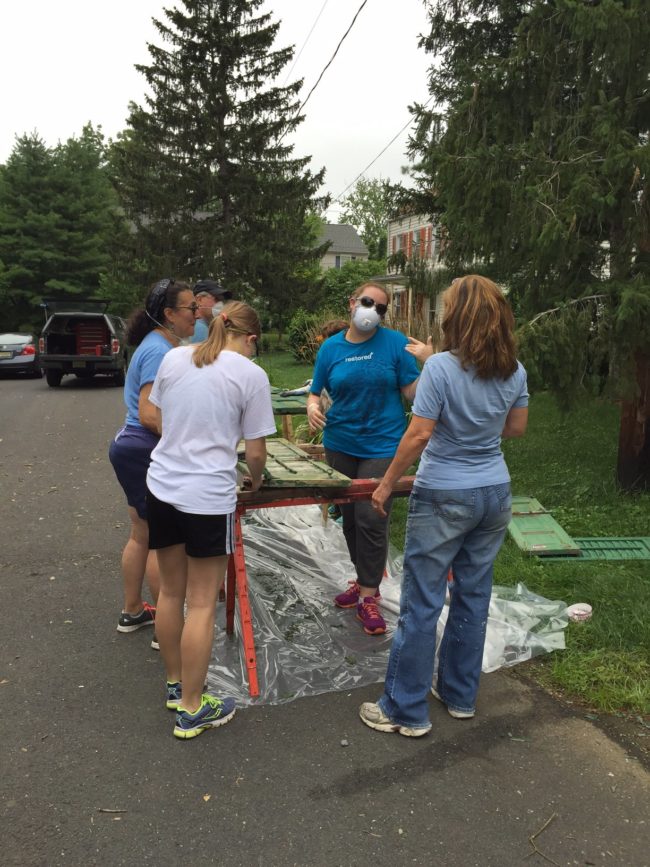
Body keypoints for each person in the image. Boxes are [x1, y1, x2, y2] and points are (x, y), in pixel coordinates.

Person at [358, 275, 529, 737]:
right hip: (494, 492)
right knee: (473, 597)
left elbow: (419, 433)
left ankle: (403, 710)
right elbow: (514, 429)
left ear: (457, 316)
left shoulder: (439, 369)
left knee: (422, 602)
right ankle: (458, 695)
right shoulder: (514, 370)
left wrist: (386, 483)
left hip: (444, 494)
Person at [145, 301, 276, 739]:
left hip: (162, 485)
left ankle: (175, 685)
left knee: (170, 593)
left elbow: (161, 416)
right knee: (202, 602)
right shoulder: (251, 375)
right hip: (206, 497)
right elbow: (255, 453)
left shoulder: (174, 356)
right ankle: (192, 708)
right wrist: (254, 482)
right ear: (250, 338)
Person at [307, 283, 420, 636]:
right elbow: (317, 391)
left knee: (372, 516)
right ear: (352, 303)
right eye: (368, 302)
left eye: (381, 308)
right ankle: (363, 578)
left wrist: (432, 366)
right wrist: (312, 406)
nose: (373, 311)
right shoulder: (331, 347)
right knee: (350, 519)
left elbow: (413, 392)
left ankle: (369, 596)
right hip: (340, 442)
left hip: (382, 445)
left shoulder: (395, 344)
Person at [109, 279, 199, 647]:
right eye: (191, 308)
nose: (197, 313)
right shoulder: (159, 352)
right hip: (143, 446)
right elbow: (149, 413)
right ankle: (167, 624)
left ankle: (134, 611)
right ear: (169, 314)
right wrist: (187, 441)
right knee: (160, 539)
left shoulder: (159, 345)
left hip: (131, 446)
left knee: (142, 532)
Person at [190, 279, 233, 343]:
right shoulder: (200, 329)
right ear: (199, 300)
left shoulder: (198, 326)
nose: (220, 304)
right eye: (217, 299)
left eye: (222, 300)